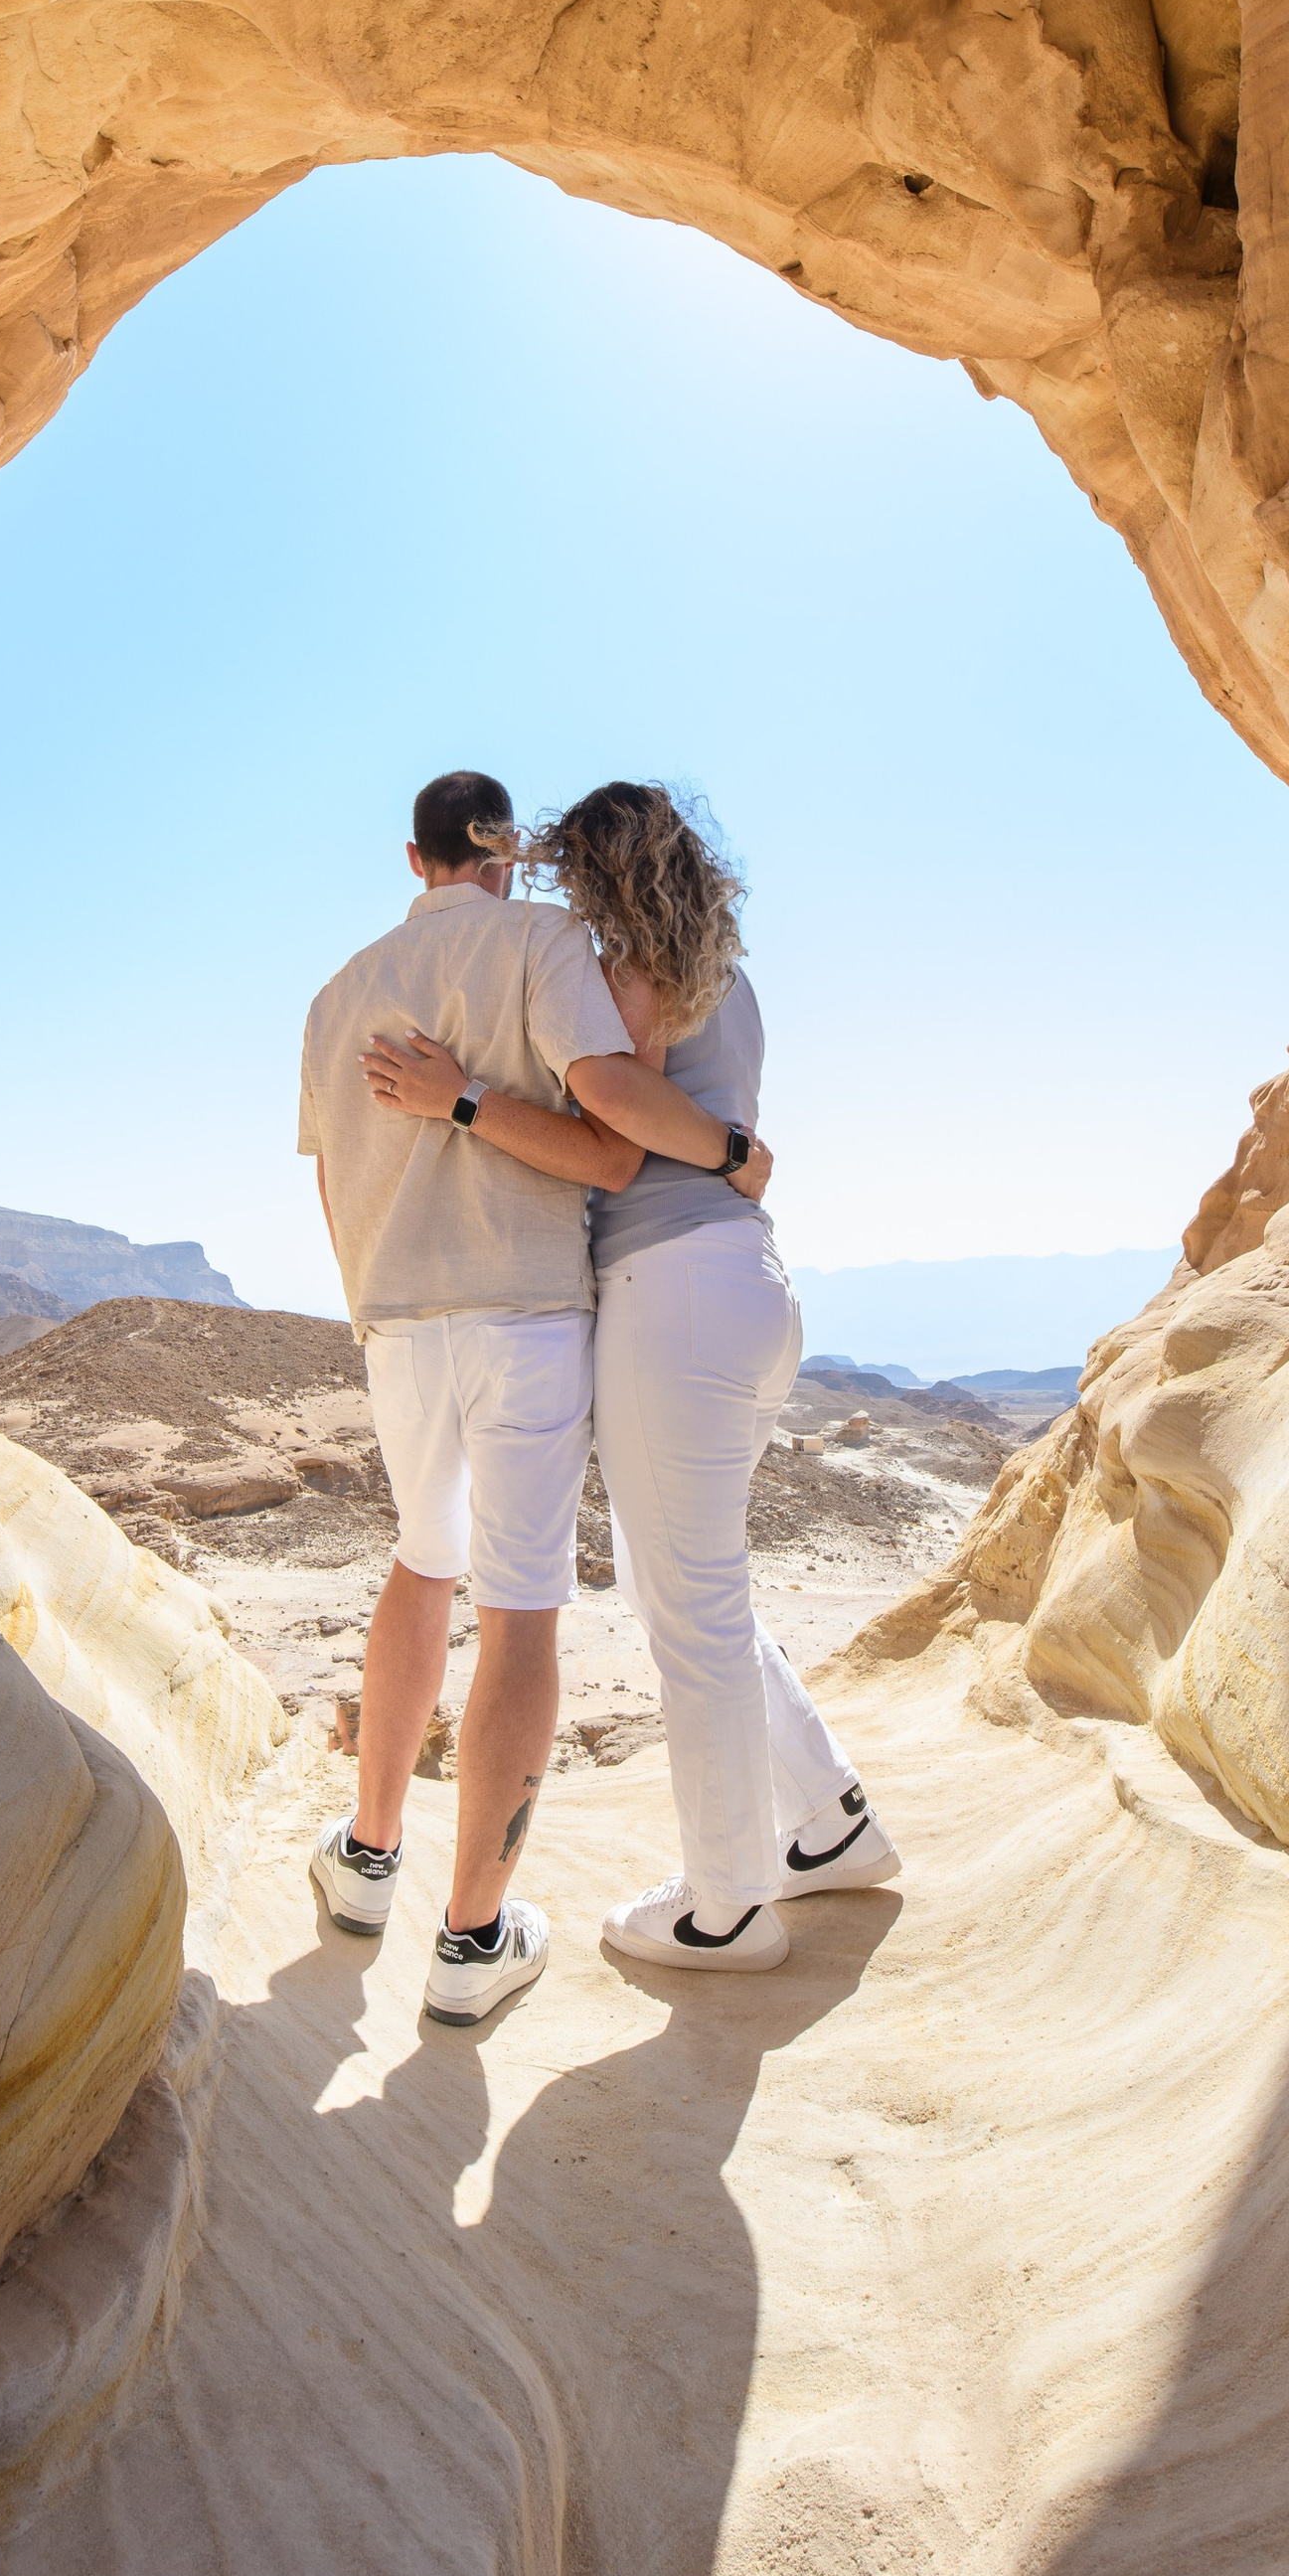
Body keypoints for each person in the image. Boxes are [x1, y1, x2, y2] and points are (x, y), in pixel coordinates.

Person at [368, 781, 896, 1977]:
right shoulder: (725, 969)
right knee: (694, 1591)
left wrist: (459, 1094)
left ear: (607, 876)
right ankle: (831, 1825)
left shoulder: (634, 968)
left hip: (674, 1295)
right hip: (742, 1289)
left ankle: (726, 1907)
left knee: (693, 1615)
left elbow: (609, 1102)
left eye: (572, 878)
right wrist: (737, 1154)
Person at [298, 769, 771, 2026]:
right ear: (506, 851)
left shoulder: (336, 992)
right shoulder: (545, 943)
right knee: (518, 1613)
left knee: (419, 1564)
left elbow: (332, 1186)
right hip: (525, 1312)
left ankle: (365, 1859)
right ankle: (470, 1942)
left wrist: (371, 1299)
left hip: (394, 1321)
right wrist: (727, 1154)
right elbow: (613, 1139)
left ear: (415, 859)